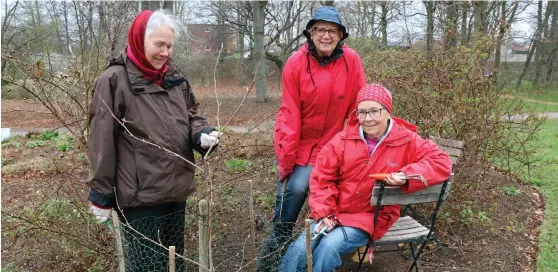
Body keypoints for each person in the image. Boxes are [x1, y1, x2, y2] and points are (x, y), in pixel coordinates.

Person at [86, 10, 220, 272]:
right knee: (148, 266)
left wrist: (201, 133)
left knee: (174, 263)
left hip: (176, 188)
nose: (165, 52)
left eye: (169, 45)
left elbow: (191, 114)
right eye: (159, 44)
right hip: (140, 197)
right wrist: (100, 194)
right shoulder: (114, 80)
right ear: (139, 40)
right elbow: (101, 141)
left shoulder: (174, 76)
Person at [280, 84, 453, 271]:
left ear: (388, 111)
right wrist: (325, 212)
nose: (367, 119)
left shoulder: (407, 140)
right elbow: (322, 178)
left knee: (328, 248)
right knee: (300, 249)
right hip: (333, 211)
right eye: (362, 112)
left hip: (369, 216)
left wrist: (407, 175)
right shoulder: (343, 140)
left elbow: (442, 162)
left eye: (374, 111)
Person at [258, 6, 366, 271]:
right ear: (310, 33)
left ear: (341, 35)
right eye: (320, 29)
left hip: (333, 148)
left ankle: (316, 258)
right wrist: (286, 162)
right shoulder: (296, 63)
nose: (326, 35)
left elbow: (358, 108)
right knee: (292, 197)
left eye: (332, 30)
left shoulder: (351, 61)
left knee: (333, 206)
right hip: (300, 148)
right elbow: (289, 114)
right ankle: (271, 262)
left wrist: (349, 149)